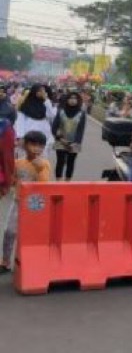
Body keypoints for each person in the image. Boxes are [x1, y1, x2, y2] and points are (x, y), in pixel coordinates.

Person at [0, 130, 50, 274]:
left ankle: (30, 261)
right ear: (25, 145)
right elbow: (12, 179)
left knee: (31, 234)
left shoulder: (44, 164)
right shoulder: (18, 163)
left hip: (35, 205)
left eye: (40, 146)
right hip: (18, 201)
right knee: (9, 231)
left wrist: (40, 169)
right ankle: (5, 261)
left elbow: (44, 184)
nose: (37, 149)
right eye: (33, 144)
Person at [51, 92, 87, 182]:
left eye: (75, 98)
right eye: (70, 98)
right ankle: (58, 182)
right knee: (60, 162)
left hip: (74, 142)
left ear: (78, 100)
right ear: (67, 100)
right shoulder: (60, 112)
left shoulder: (81, 113)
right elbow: (54, 127)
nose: (72, 100)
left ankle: (67, 183)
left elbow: (80, 130)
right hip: (61, 141)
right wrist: (60, 139)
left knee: (71, 163)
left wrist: (76, 142)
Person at [14, 84, 55, 157]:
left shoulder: (45, 104)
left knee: (41, 158)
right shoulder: (25, 106)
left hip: (44, 134)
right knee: (28, 157)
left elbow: (51, 115)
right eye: (39, 91)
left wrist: (46, 100)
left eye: (43, 91)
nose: (42, 93)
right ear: (34, 92)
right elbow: (20, 122)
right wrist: (20, 136)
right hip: (29, 134)